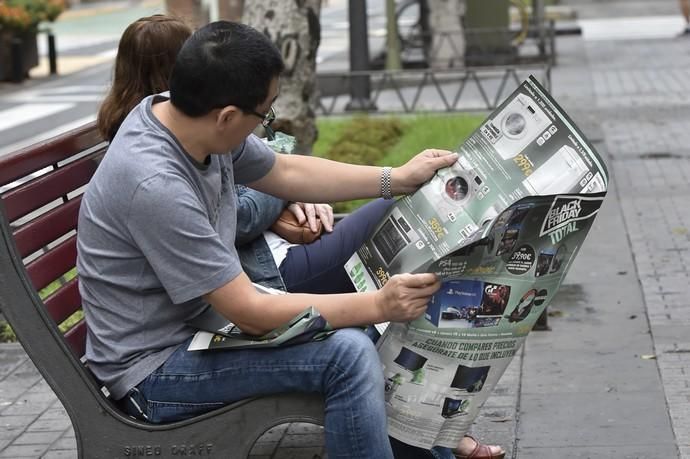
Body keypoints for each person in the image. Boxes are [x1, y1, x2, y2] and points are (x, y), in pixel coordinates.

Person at [86, 17, 504, 459]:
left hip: (201, 327)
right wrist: (378, 304)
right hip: (153, 371)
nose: (266, 121)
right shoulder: (155, 184)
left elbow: (285, 171)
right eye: (264, 113)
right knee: (349, 352)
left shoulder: (189, 119)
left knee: (366, 332)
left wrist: (396, 179)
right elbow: (249, 310)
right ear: (227, 116)